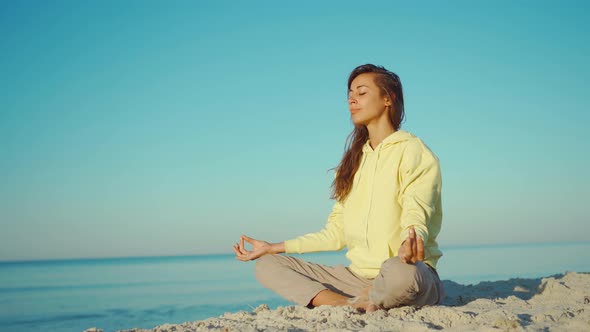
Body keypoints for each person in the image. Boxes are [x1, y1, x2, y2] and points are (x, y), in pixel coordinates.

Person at [232, 64, 444, 312]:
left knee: (400, 275)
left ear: (388, 98)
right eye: (350, 94)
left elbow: (418, 206)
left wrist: (413, 235)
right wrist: (272, 247)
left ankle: (370, 297)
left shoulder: (412, 150)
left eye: (362, 93)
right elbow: (335, 234)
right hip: (356, 279)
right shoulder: (354, 163)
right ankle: (347, 304)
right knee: (267, 266)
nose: (352, 99)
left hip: (405, 270)